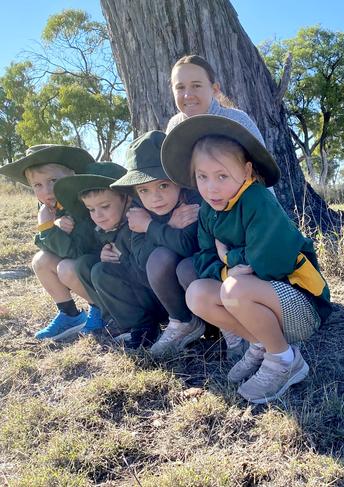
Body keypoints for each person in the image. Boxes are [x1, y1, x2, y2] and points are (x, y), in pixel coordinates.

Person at [161, 114, 332, 403]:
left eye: (222, 176)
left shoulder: (258, 200)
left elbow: (269, 262)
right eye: (202, 177)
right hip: (258, 301)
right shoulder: (208, 210)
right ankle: (260, 344)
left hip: (301, 304)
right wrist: (228, 270)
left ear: (247, 171)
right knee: (197, 293)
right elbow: (203, 258)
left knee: (235, 287)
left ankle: (285, 360)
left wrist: (228, 256)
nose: (211, 188)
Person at [168, 53, 266, 355]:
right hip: (204, 220)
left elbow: (261, 178)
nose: (188, 95)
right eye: (179, 87)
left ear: (216, 89)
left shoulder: (237, 121)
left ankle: (261, 333)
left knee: (238, 270)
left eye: (197, 85)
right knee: (186, 267)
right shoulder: (175, 125)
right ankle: (230, 332)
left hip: (243, 220)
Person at [110, 130, 204, 358]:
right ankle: (181, 322)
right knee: (158, 257)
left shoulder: (192, 203)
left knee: (183, 264)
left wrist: (152, 227)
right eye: (144, 190)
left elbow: (188, 246)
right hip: (178, 301)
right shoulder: (138, 215)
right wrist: (165, 226)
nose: (155, 198)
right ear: (135, 193)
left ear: (180, 183)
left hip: (204, 285)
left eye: (163, 186)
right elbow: (143, 261)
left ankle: (228, 329)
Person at [56, 161, 166, 348]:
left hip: (159, 300)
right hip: (133, 293)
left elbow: (148, 270)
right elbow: (79, 249)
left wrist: (119, 259)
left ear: (127, 199)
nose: (98, 215)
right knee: (84, 264)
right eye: (91, 209)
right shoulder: (102, 227)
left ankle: (143, 327)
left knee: (101, 271)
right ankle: (118, 320)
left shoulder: (137, 223)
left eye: (105, 206)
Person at [0, 145, 101, 340]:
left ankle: (103, 311)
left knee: (65, 267)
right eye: (37, 185)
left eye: (53, 181)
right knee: (41, 260)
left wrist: (48, 229)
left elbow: (76, 253)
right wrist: (50, 226)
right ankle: (69, 314)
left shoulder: (81, 204)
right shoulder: (51, 206)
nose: (46, 191)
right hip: (81, 266)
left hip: (101, 270)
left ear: (71, 176)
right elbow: (47, 247)